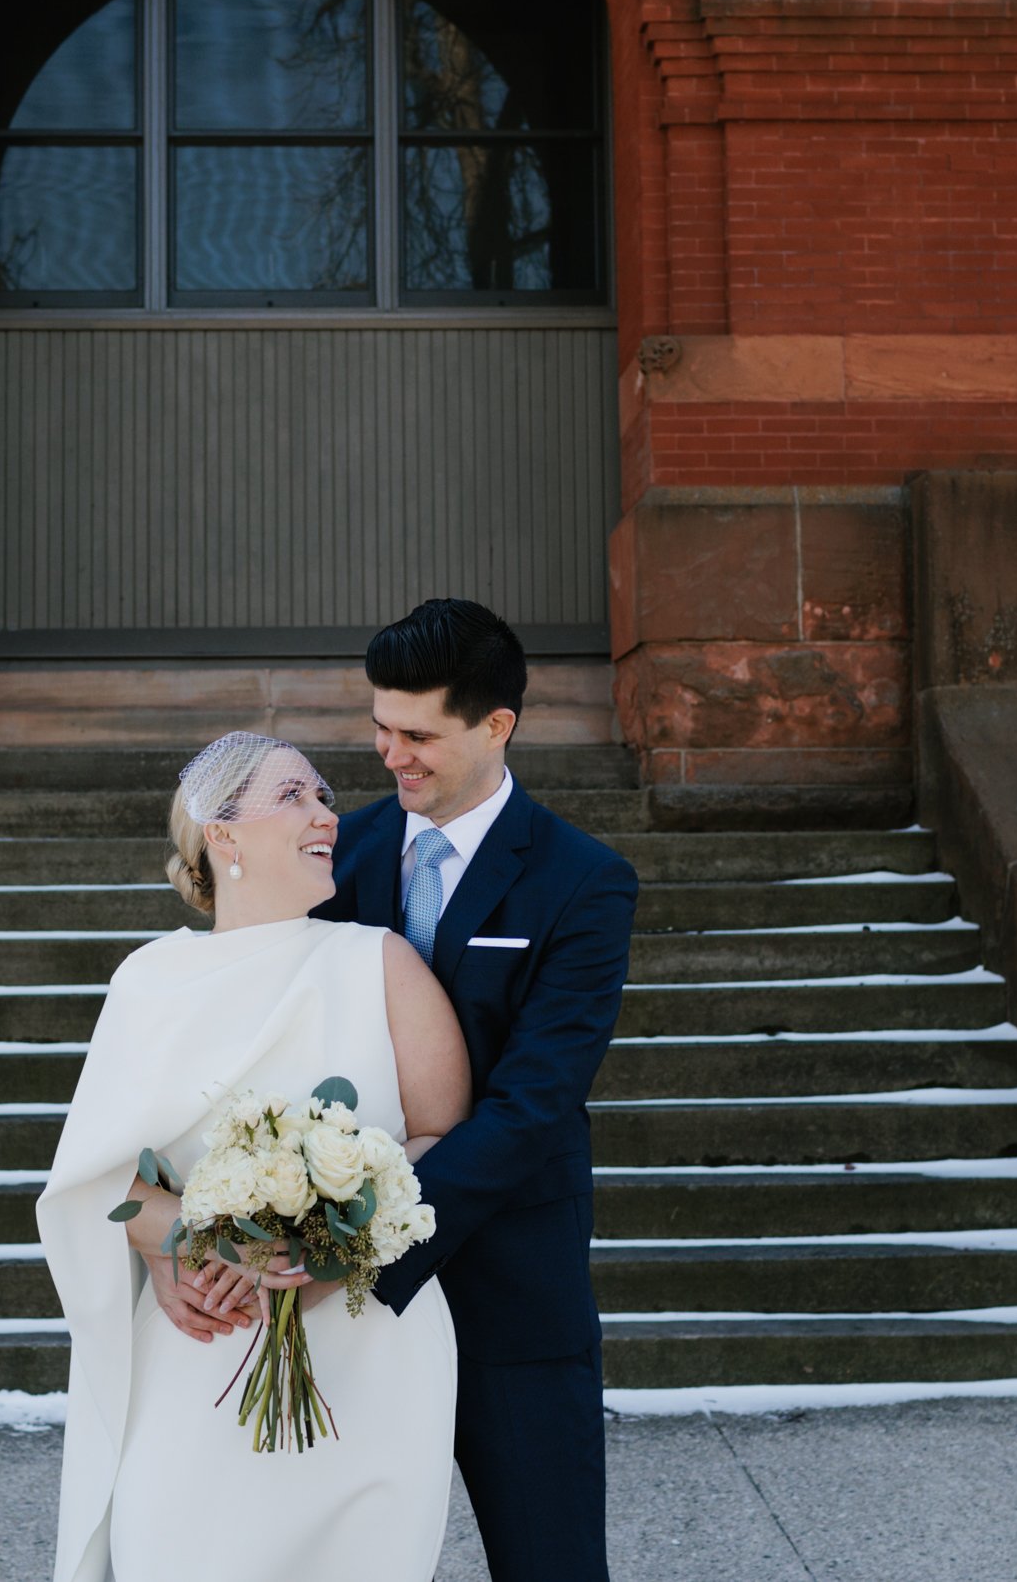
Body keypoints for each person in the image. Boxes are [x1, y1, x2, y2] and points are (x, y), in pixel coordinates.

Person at [37, 732, 472, 1582]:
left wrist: (331, 1237)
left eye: (324, 796)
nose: (326, 814)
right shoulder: (149, 980)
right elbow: (104, 1181)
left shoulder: (379, 961)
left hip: (367, 1346)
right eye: (294, 796)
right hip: (203, 1339)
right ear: (221, 834)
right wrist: (202, 1239)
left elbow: (442, 1137)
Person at [314, 598, 639, 1582]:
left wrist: (369, 1238)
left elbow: (534, 1101)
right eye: (379, 727)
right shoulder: (335, 849)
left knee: (550, 1560)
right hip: (330, 1295)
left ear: (497, 724)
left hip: (507, 1280)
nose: (390, 753)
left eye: (417, 733)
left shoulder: (584, 880)